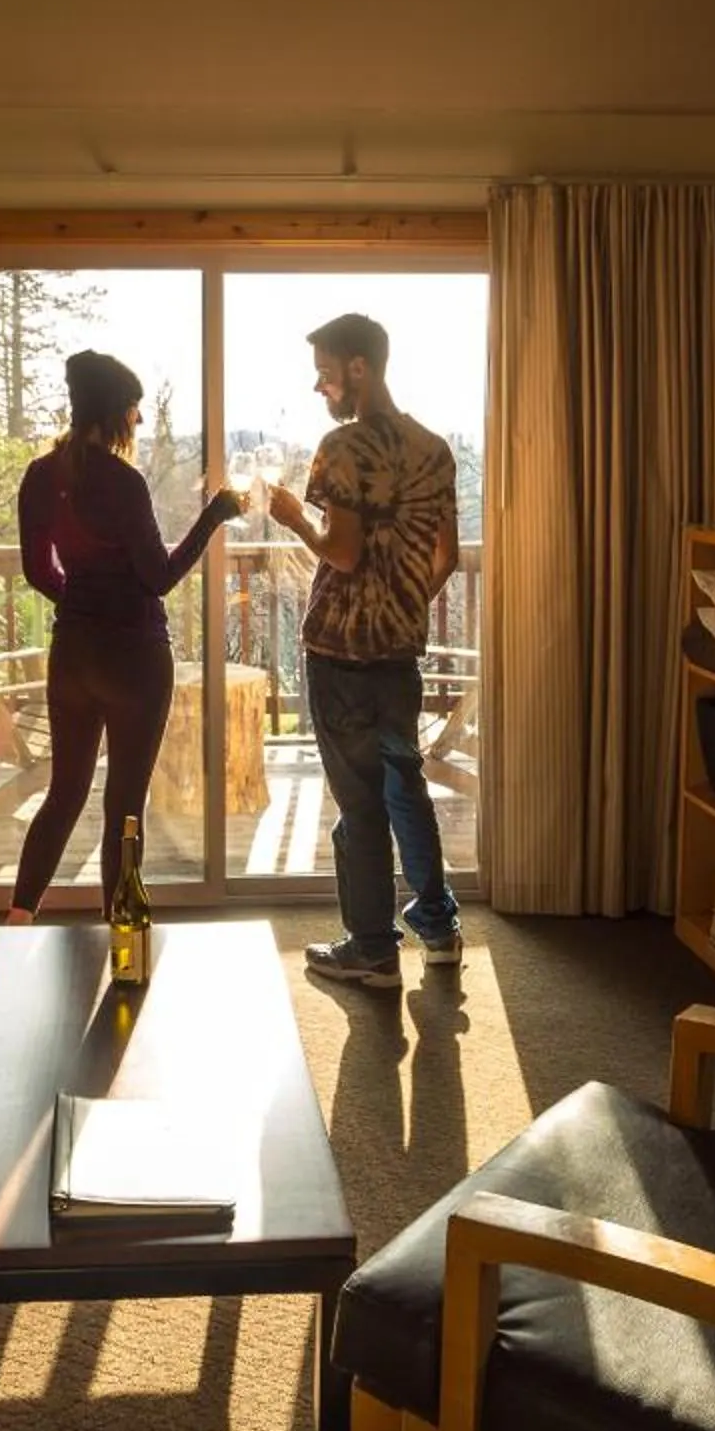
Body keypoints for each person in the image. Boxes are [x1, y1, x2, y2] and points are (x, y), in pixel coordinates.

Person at [6, 351, 243, 924]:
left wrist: (81, 604)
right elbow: (158, 578)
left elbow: (39, 571)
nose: (139, 421)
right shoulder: (123, 481)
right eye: (135, 409)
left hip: (73, 656)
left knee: (63, 795)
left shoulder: (41, 475)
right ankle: (122, 936)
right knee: (124, 809)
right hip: (134, 657)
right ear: (116, 411)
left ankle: (16, 922)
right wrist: (213, 517)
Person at [266, 313, 464, 988]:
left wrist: (296, 521)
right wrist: (408, 603)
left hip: (343, 652)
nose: (320, 387)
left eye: (326, 372)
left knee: (360, 803)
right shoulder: (435, 449)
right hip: (400, 654)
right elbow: (449, 556)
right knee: (405, 787)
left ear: (358, 368)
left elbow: (342, 553)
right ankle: (438, 929)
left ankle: (373, 947)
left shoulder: (343, 448)